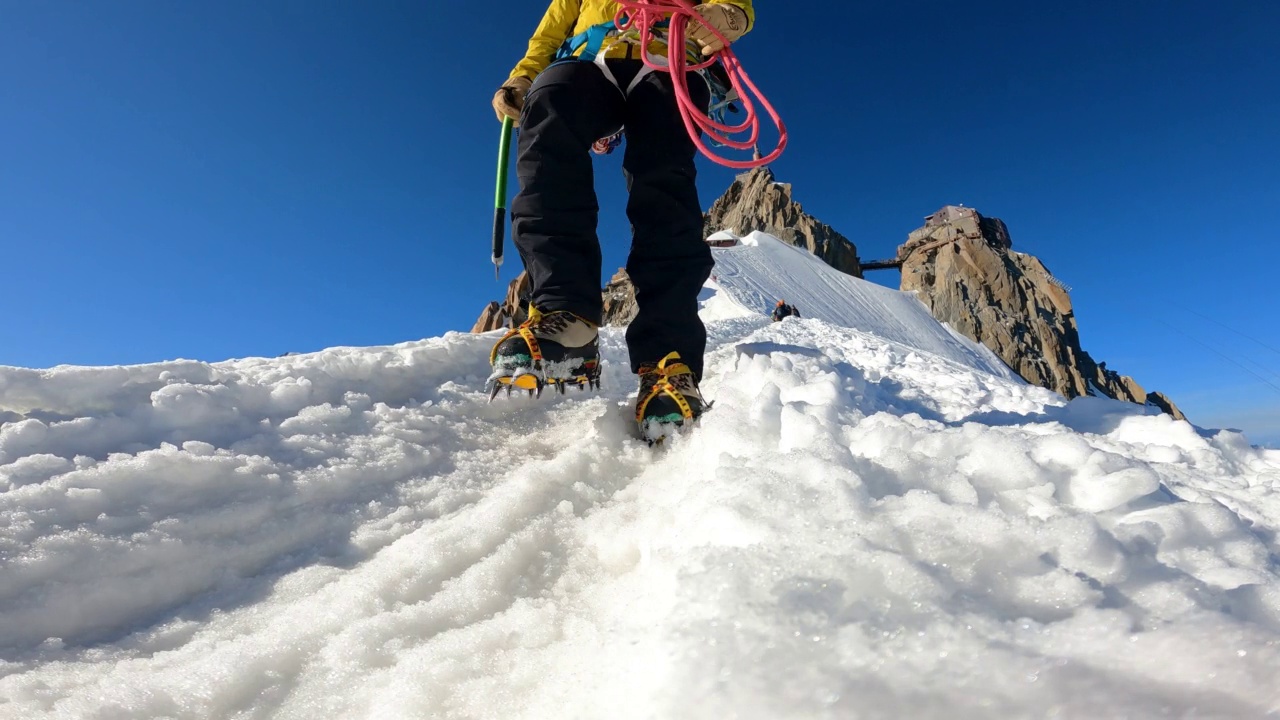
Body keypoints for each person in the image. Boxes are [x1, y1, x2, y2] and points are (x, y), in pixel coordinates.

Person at [487, 0, 755, 438]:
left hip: (669, 56)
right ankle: (565, 312)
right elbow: (551, 32)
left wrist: (730, 15)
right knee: (550, 104)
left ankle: (669, 358)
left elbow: (736, 5)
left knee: (664, 179)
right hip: (592, 58)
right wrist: (525, 71)